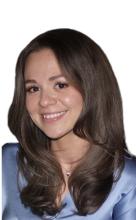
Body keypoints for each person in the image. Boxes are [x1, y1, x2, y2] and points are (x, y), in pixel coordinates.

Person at [2, 28, 136, 220]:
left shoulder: (128, 180)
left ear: (91, 87)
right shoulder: (7, 163)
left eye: (61, 85)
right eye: (33, 88)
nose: (44, 101)